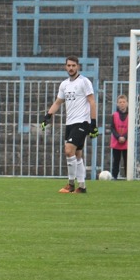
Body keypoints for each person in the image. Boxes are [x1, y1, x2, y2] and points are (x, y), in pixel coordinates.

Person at [41, 55, 98, 193]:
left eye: (73, 65)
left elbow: (92, 102)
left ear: (78, 66)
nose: (71, 68)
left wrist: (93, 124)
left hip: (82, 122)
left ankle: (71, 184)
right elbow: (58, 102)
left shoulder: (84, 82)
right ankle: (82, 187)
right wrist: (47, 116)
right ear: (65, 67)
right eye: (69, 65)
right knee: (77, 154)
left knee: (68, 150)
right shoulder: (64, 84)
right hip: (70, 123)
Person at [109, 94, 129, 179]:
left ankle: (128, 177)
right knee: (116, 161)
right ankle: (114, 177)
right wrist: (118, 137)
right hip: (116, 141)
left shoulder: (130, 115)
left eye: (123, 102)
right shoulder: (114, 115)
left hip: (127, 142)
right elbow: (112, 128)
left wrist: (125, 137)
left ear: (127, 103)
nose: (122, 104)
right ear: (117, 104)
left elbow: (131, 128)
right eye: (120, 102)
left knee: (127, 161)